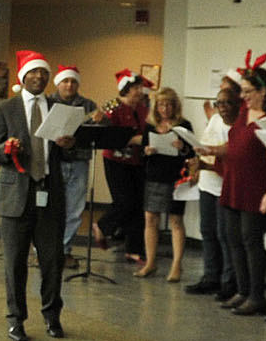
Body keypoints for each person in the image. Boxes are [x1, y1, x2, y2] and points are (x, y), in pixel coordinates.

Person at [0, 51, 73, 341]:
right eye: (34, 73)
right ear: (23, 78)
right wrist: (6, 149)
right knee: (14, 263)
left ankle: (52, 315)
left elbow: (70, 152)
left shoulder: (57, 107)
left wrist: (68, 143)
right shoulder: (5, 108)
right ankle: (16, 320)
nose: (39, 78)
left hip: (50, 194)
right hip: (16, 197)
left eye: (44, 74)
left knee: (52, 261)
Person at [213, 65, 266, 318]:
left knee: (251, 242)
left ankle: (257, 296)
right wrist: (212, 150)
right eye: (242, 91)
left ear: (263, 91)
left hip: (256, 186)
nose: (243, 96)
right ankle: (243, 290)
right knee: (234, 240)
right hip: (234, 183)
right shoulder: (244, 111)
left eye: (247, 91)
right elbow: (236, 143)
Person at [187, 77, 238, 296]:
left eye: (227, 103)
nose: (222, 108)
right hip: (207, 184)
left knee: (224, 235)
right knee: (207, 231)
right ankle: (210, 276)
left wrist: (208, 164)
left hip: (225, 186)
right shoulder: (215, 120)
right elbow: (205, 147)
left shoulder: (240, 126)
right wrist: (197, 166)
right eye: (219, 103)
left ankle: (228, 280)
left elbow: (232, 163)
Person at [136, 87, 193, 281]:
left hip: (176, 177)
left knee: (175, 220)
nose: (165, 108)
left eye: (169, 104)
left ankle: (176, 265)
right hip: (154, 175)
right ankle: (150, 262)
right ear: (156, 107)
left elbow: (193, 153)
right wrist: (147, 151)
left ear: (175, 106)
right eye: (161, 104)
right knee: (151, 219)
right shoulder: (150, 126)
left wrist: (183, 147)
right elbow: (142, 153)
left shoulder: (184, 125)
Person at [94, 71, 149, 261]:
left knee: (138, 205)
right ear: (125, 90)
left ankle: (134, 249)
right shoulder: (114, 107)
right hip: (116, 161)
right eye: (135, 88)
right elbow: (109, 135)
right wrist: (133, 139)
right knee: (124, 201)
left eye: (140, 88)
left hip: (137, 160)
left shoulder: (143, 109)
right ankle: (102, 226)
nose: (139, 92)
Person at [52, 65, 98, 250]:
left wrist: (100, 121)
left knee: (75, 209)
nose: (69, 85)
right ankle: (45, 249)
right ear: (58, 83)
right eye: (65, 81)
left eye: (73, 81)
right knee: (51, 208)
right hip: (54, 161)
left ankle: (64, 249)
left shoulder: (88, 106)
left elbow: (96, 135)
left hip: (79, 161)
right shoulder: (48, 102)